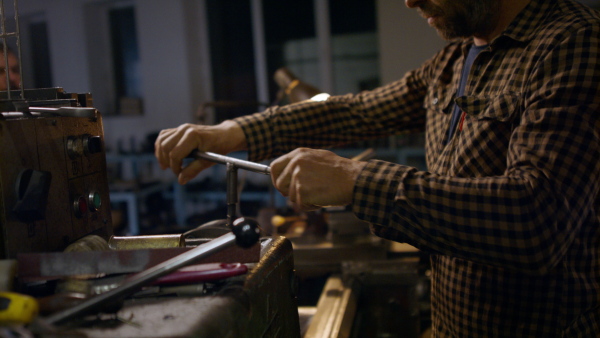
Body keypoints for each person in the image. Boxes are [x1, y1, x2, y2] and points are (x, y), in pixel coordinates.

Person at [155, 0, 600, 336]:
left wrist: (356, 181)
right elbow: (356, 112)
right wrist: (234, 132)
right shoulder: (456, 60)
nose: (408, 1)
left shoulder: (572, 44)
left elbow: (539, 218)